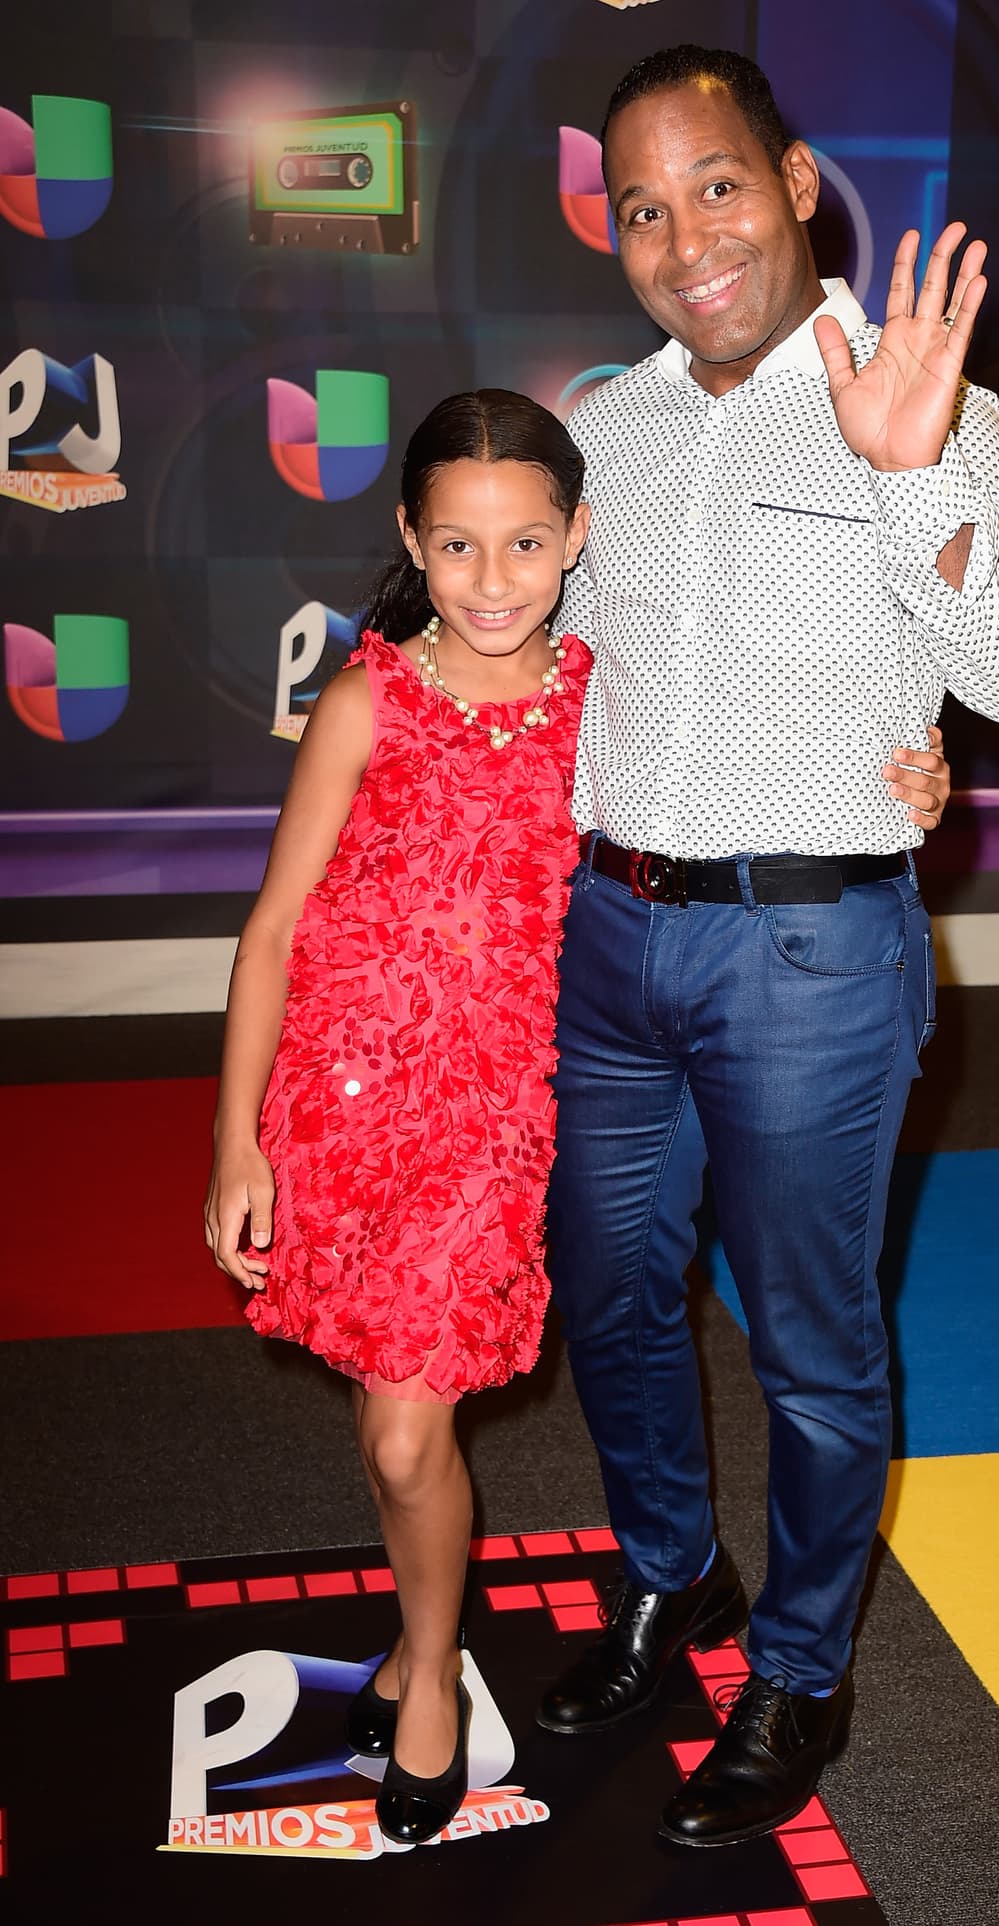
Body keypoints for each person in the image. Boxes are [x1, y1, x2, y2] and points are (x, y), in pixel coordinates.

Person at [536, 45, 999, 1849]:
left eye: (716, 185)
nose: (683, 234)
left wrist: (919, 478)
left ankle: (802, 1666)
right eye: (640, 204)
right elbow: (542, 673)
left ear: (796, 181)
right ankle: (670, 1579)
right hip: (610, 940)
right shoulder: (605, 425)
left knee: (816, 1351)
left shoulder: (921, 392)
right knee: (610, 1299)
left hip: (812, 955)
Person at [203, 388, 594, 1846]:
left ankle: (428, 1669)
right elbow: (271, 933)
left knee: (414, 1442)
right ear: (411, 544)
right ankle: (407, 1639)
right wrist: (237, 1140)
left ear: (577, 538)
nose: (494, 581)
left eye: (526, 543)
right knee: (385, 1434)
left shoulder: (608, 706)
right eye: (458, 546)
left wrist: (904, 769)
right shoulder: (366, 698)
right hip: (344, 1110)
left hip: (495, 1125)